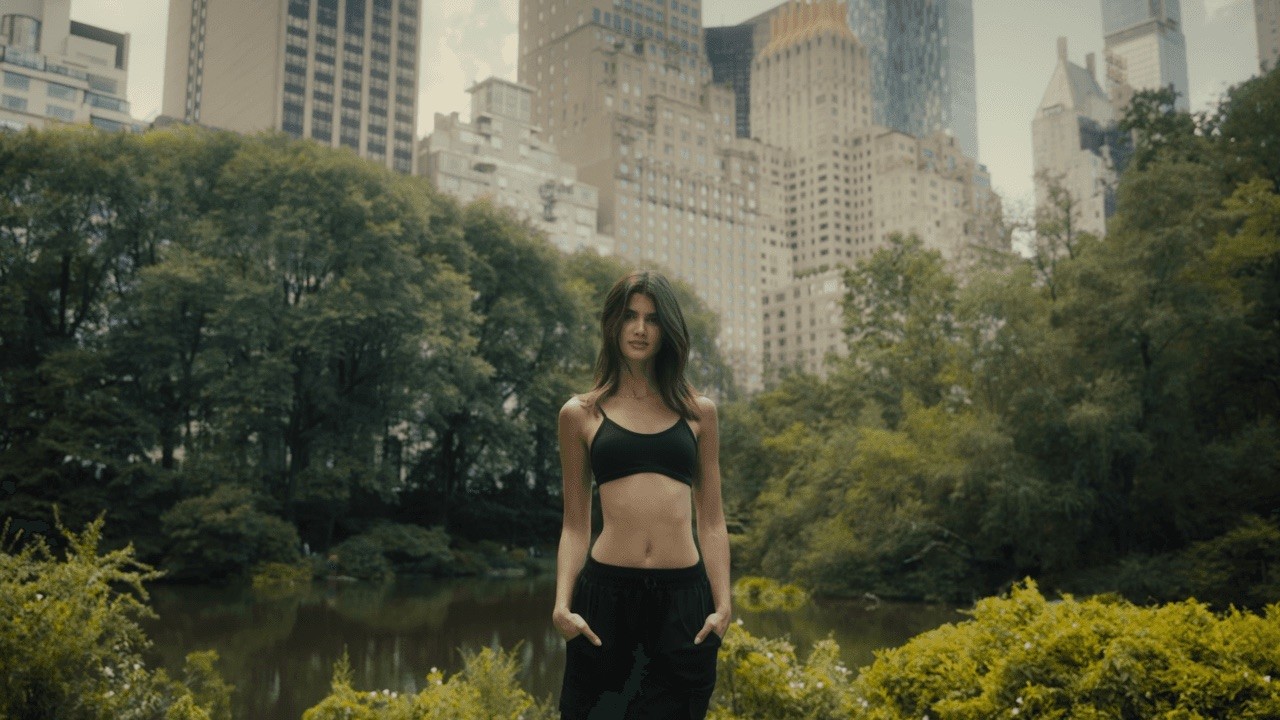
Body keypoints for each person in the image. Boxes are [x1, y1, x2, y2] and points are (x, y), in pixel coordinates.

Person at [553, 270, 731, 720]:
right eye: (630, 316)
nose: (639, 329)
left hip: (684, 605)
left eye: (652, 319)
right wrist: (561, 605)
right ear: (612, 324)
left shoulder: (699, 413)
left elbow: (712, 520)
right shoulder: (580, 414)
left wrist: (723, 606)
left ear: (667, 329)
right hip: (605, 602)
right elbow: (575, 524)